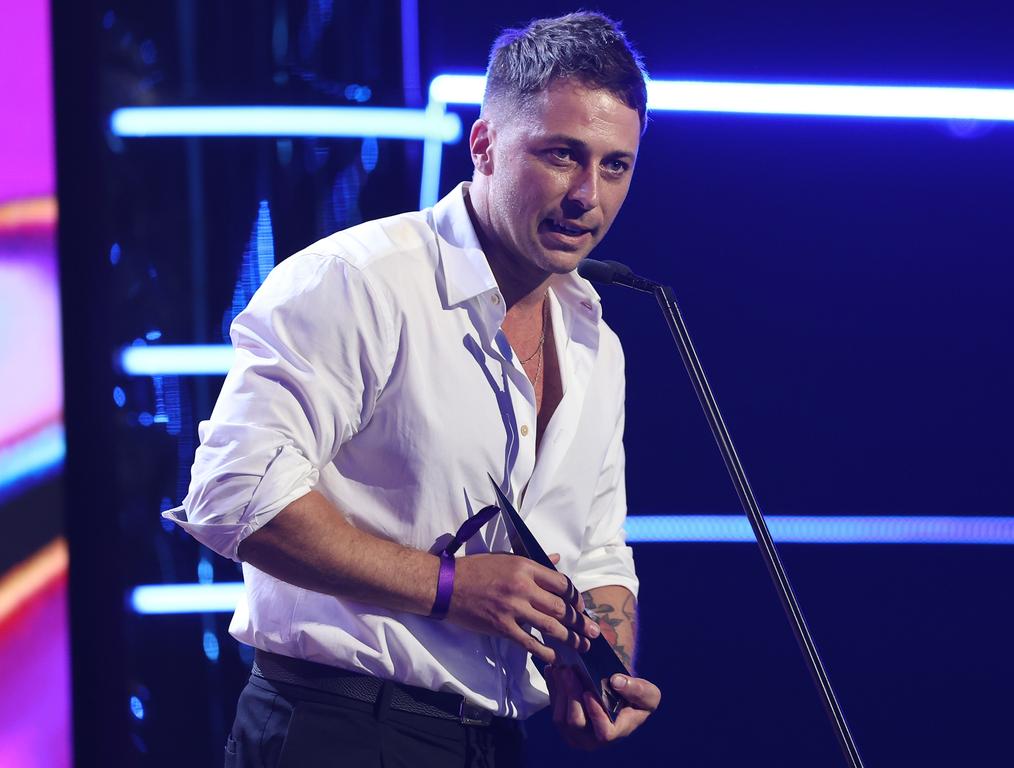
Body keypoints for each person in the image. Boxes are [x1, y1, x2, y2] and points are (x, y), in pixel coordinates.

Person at [166, 11, 661, 767]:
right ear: (486, 145)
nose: (587, 196)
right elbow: (235, 496)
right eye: (563, 156)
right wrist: (449, 586)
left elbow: (596, 553)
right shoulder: (359, 281)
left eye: (615, 165)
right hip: (337, 727)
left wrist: (598, 662)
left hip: (492, 742)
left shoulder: (597, 342)